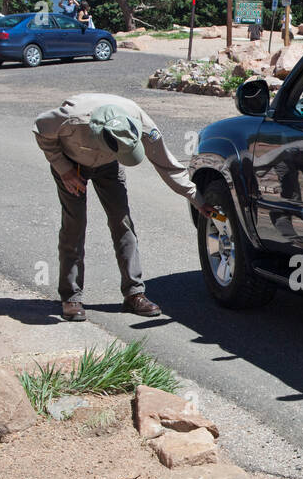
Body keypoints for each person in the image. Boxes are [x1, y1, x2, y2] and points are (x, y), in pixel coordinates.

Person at [33, 94, 215, 320]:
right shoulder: (72, 118)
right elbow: (40, 129)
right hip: (72, 165)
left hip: (108, 166)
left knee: (123, 223)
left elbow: (166, 164)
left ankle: (134, 294)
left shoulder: (139, 122)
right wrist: (63, 168)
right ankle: (71, 297)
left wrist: (196, 199)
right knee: (75, 224)